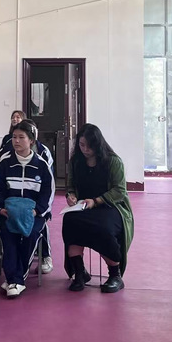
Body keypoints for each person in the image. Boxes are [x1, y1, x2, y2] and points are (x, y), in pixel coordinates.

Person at [63, 124, 134, 293]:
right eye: (82, 145)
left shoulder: (113, 161)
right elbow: (70, 185)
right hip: (83, 206)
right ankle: (80, 272)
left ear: (98, 144)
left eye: (89, 146)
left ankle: (115, 275)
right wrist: (71, 195)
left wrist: (97, 201)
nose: (85, 150)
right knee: (70, 222)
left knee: (103, 229)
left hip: (111, 206)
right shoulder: (76, 161)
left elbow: (120, 191)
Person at [0, 121, 55, 299]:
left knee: (30, 236)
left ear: (31, 141)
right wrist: (1, 208)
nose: (17, 141)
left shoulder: (41, 165)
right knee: (9, 238)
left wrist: (37, 211)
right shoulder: (5, 163)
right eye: (14, 137)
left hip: (34, 214)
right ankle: (15, 280)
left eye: (21, 137)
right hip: (8, 213)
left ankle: (15, 279)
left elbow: (48, 193)